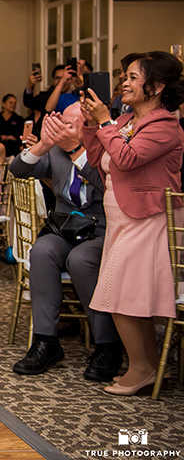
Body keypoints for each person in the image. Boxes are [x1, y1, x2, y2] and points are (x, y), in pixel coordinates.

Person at [81, 51, 184, 396]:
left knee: (121, 295)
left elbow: (125, 159)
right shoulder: (126, 121)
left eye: (133, 77)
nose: (124, 81)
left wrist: (106, 122)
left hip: (148, 217)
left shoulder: (165, 126)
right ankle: (153, 368)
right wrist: (92, 122)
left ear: (156, 87)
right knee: (133, 297)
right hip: (122, 218)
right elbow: (97, 159)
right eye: (124, 76)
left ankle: (140, 368)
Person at [9, 103, 121, 380]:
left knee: (81, 260)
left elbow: (106, 183)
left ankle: (107, 345)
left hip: (100, 230)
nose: (62, 130)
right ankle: (46, 341)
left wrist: (76, 151)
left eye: (70, 125)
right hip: (64, 228)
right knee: (42, 252)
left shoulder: (107, 150)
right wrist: (43, 145)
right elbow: (18, 169)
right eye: (61, 123)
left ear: (90, 127)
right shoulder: (56, 150)